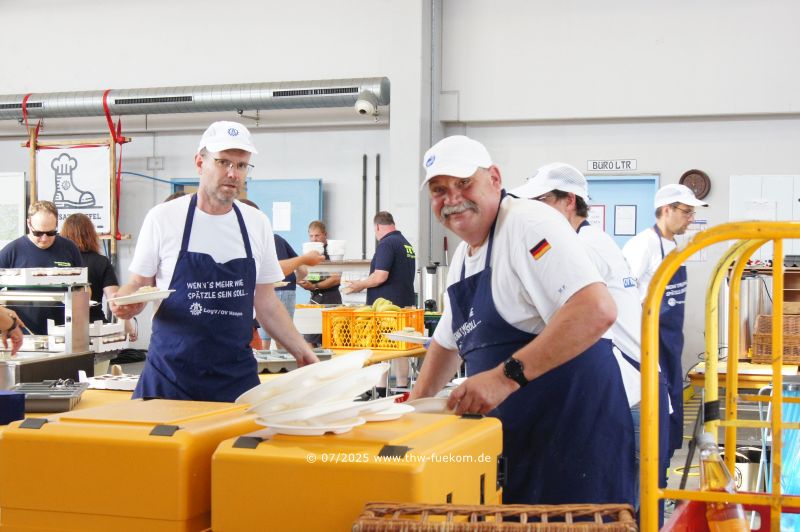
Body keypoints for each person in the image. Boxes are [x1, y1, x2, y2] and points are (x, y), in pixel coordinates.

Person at [409, 136, 634, 507]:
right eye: (439, 190)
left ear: (495, 179)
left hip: (575, 438)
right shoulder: (465, 257)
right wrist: (413, 409)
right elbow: (448, 345)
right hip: (523, 440)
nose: (452, 198)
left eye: (464, 183)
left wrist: (502, 379)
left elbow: (596, 309)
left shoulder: (528, 224)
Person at [111, 121, 318, 402]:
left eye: (242, 165)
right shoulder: (163, 218)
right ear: (200, 162)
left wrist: (301, 350)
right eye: (223, 162)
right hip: (171, 377)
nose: (233, 173)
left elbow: (266, 302)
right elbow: (137, 284)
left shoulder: (255, 223)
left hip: (235, 379)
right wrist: (125, 303)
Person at [510, 162, 671, 518]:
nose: (532, 212)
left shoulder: (582, 247)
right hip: (637, 387)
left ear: (569, 201)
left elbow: (573, 319)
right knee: (631, 508)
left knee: (621, 512)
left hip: (631, 391)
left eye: (541, 201)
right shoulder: (587, 240)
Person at [623, 183, 708, 459]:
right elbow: (623, 296)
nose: (690, 218)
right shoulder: (643, 245)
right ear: (666, 209)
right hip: (649, 344)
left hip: (670, 343)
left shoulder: (672, 245)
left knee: (670, 418)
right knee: (655, 418)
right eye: (686, 211)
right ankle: (649, 490)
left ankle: (663, 479)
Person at [237, 198, 324, 349]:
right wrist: (303, 262)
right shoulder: (270, 239)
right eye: (312, 236)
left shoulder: (255, 241)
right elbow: (296, 269)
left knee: (266, 339)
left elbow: (272, 270)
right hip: (275, 294)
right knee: (280, 338)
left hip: (259, 302)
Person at [347, 211, 417, 389]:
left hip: (386, 307)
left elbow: (380, 276)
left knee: (381, 347)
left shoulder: (386, 244)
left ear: (377, 226)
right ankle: (401, 387)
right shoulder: (406, 244)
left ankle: (380, 388)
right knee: (401, 347)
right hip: (404, 304)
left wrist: (360, 285)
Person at [0, 200, 83, 334]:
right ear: (28, 224)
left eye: (50, 233)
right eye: (38, 233)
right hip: (22, 332)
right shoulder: (12, 251)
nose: (44, 238)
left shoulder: (69, 248)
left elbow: (83, 287)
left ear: (56, 224)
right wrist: (4, 314)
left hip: (63, 331)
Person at [60, 213, 136, 341]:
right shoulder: (101, 262)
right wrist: (128, 327)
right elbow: (115, 299)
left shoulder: (60, 262)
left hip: (64, 328)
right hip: (96, 328)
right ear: (91, 235)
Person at [298, 220, 342, 346]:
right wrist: (301, 280)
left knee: (319, 340)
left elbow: (336, 278)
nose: (314, 239)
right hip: (315, 297)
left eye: (317, 236)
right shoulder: (310, 253)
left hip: (330, 298)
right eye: (311, 236)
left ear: (325, 235)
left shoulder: (333, 252)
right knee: (310, 338)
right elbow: (307, 274)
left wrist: (314, 286)